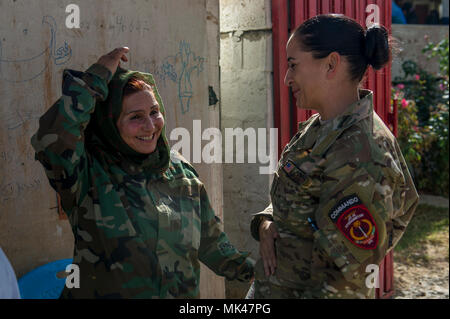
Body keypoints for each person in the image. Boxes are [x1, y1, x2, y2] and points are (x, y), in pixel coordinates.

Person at [31, 47, 254, 298]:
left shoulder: (179, 172)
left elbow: (210, 241)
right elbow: (53, 138)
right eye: (135, 117)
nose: (150, 126)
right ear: (111, 123)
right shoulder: (88, 173)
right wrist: (97, 76)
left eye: (154, 112)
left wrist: (257, 273)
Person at [249, 14, 419, 299]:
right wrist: (267, 222)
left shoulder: (361, 154)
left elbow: (341, 283)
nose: (287, 78)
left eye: (293, 65)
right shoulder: (321, 128)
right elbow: (300, 193)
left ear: (331, 64)